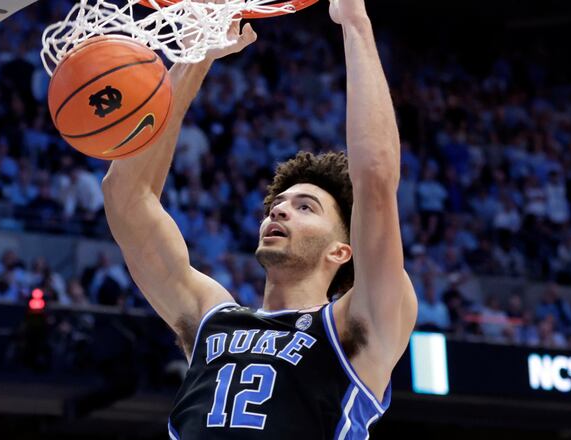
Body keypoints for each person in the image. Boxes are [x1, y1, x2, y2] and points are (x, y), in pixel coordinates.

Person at [101, 1, 417, 437]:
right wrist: (195, 56)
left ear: (341, 250)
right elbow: (125, 197)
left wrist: (355, 23)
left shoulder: (356, 327)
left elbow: (377, 181)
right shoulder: (212, 319)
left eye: (306, 206)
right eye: (278, 204)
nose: (281, 209)